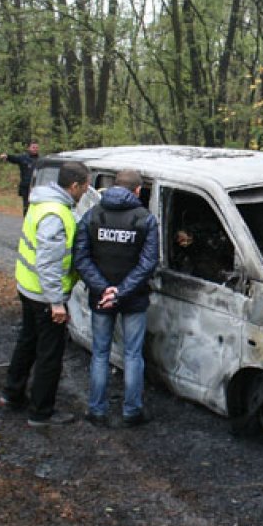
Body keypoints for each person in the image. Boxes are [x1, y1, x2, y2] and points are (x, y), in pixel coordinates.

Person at [0, 161, 90, 426]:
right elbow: (48, 263)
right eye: (85, 186)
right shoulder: (55, 214)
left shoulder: (42, 202)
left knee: (27, 341)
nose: (86, 191)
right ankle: (41, 412)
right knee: (50, 353)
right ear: (74, 186)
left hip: (28, 288)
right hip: (44, 296)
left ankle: (11, 394)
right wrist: (56, 303)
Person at [73, 169, 159, 428]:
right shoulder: (145, 219)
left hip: (101, 298)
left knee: (100, 354)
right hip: (133, 299)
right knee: (133, 355)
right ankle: (132, 411)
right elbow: (148, 264)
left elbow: (81, 258)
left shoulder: (92, 215)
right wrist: (121, 291)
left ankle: (96, 410)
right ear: (137, 190)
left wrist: (104, 289)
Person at [1, 142, 41, 215]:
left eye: (36, 147)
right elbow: (14, 158)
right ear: (29, 148)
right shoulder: (23, 158)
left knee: (36, 205)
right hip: (25, 186)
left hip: (37, 187)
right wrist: (7, 156)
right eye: (33, 147)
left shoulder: (41, 160)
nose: (35, 149)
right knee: (26, 205)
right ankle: (26, 221)